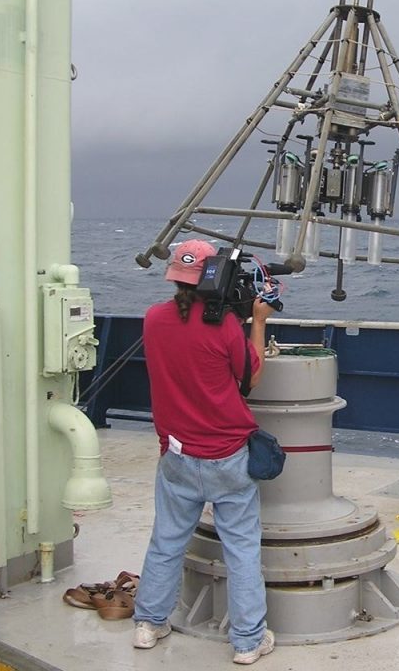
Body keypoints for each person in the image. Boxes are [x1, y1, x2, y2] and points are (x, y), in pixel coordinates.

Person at [133, 239, 277, 666]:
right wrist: (257, 321)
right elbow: (250, 377)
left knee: (166, 541)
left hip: (176, 454)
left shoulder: (153, 319)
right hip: (228, 455)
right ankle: (249, 641)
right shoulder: (224, 326)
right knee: (242, 548)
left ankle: (148, 624)